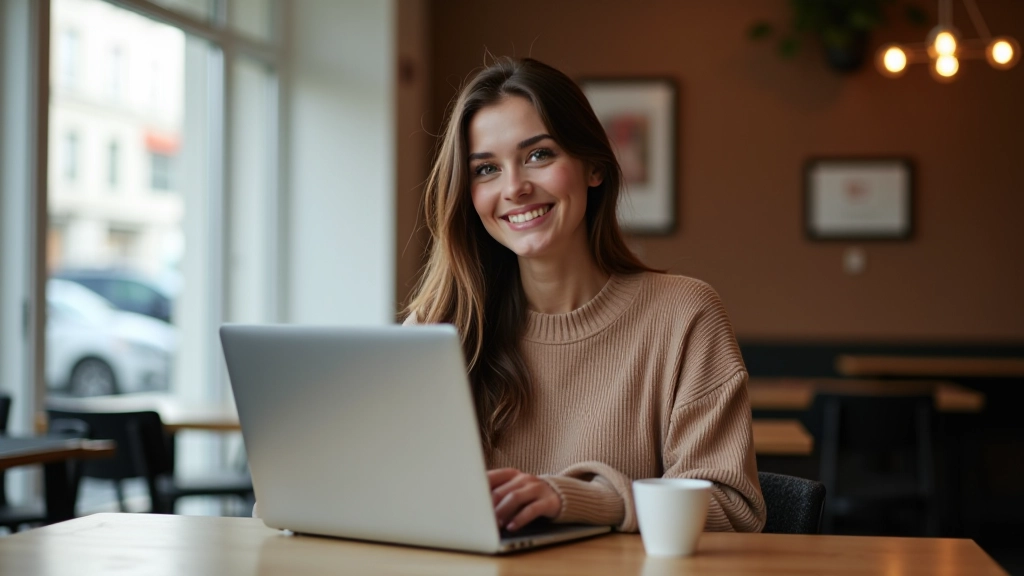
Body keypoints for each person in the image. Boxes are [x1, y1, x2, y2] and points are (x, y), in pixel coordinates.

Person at [403, 56, 765, 534]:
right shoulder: (437, 327)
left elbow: (734, 508)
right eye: (487, 169)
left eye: (538, 155)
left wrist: (583, 499)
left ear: (593, 166)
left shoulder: (684, 314)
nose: (515, 187)